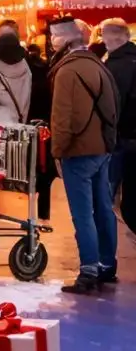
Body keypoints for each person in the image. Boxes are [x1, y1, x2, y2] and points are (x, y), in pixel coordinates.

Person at [49, 16, 120, 294]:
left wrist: (58, 150)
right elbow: (113, 108)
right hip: (101, 147)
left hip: (77, 151)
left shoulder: (67, 72)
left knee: (82, 213)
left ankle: (88, 269)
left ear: (64, 40)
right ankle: (106, 264)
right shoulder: (98, 65)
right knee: (103, 207)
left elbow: (64, 118)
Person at [101, 17, 136, 234]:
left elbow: (110, 105)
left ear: (113, 38)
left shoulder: (112, 66)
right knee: (133, 196)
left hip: (118, 139)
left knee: (106, 195)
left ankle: (106, 250)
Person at [26, 42, 56, 224]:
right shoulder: (49, 80)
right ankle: (44, 215)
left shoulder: (27, 82)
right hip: (46, 129)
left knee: (29, 171)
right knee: (44, 173)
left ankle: (29, 214)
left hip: (28, 127)